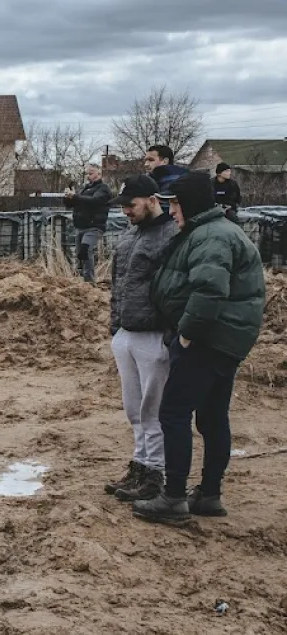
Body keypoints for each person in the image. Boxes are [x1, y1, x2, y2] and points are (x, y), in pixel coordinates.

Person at [133, 170, 266, 524]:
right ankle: (208, 494)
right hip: (222, 341)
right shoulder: (208, 231)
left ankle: (173, 498)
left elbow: (209, 290)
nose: (171, 210)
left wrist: (187, 335)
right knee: (211, 418)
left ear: (188, 204)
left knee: (173, 414)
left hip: (207, 341)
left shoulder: (211, 237)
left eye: (175, 203)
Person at [105, 174, 178, 502]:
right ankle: (141, 464)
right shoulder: (131, 235)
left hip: (154, 335)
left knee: (154, 409)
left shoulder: (172, 235)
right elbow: (118, 283)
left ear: (152, 199)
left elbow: (177, 289)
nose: (125, 212)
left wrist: (170, 333)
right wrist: (115, 327)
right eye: (122, 207)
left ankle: (155, 473)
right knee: (134, 409)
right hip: (127, 332)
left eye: (130, 206)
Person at [64, 164, 114, 283]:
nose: (88, 176)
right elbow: (70, 204)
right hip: (80, 226)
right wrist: (68, 197)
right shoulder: (85, 189)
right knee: (80, 254)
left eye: (91, 173)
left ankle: (89, 282)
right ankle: (81, 278)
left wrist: (75, 196)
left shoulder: (103, 189)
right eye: (87, 173)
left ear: (99, 174)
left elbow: (94, 201)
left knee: (86, 249)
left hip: (94, 227)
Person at [143, 145, 188, 213]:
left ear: (165, 161)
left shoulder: (174, 183)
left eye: (151, 160)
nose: (146, 164)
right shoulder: (153, 181)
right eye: (145, 160)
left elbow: (164, 212)